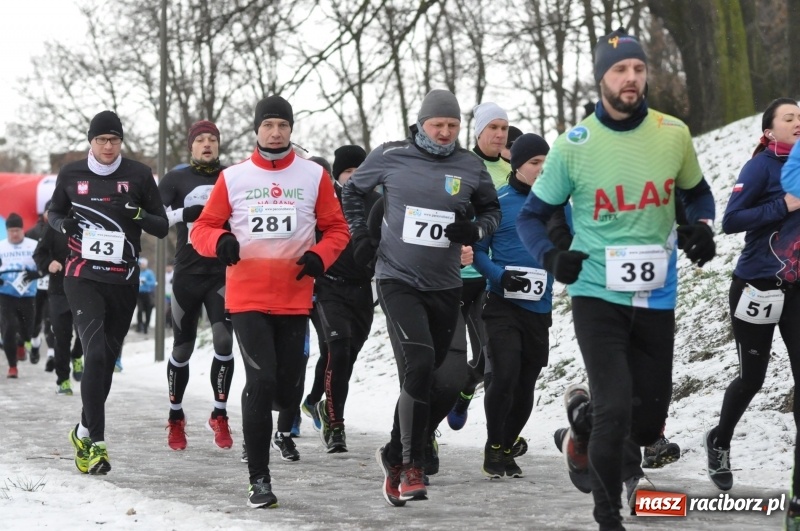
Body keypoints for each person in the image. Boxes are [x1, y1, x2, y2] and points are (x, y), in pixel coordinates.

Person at [516, 29, 716, 531]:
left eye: (638, 69)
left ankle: (579, 421)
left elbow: (697, 195)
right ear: (602, 77)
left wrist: (702, 230)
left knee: (646, 423)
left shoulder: (673, 133)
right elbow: (531, 217)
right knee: (615, 411)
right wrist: (550, 256)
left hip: (657, 293)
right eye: (620, 69)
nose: (631, 78)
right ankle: (608, 517)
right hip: (596, 293)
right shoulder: (574, 145)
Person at [342, 88, 500, 505]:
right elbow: (353, 192)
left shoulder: (470, 165)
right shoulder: (391, 155)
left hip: (446, 283)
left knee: (450, 380)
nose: (445, 132)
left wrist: (474, 231)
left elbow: (491, 212)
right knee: (420, 362)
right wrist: (361, 236)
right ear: (421, 124)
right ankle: (410, 465)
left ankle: (394, 450)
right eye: (438, 125)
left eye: (452, 125)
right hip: (397, 279)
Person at [190, 95, 349, 508]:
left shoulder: (314, 176)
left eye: (282, 125)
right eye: (268, 125)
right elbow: (201, 229)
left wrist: (320, 255)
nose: (275, 132)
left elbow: (338, 230)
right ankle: (258, 477)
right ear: (256, 130)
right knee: (260, 383)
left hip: (295, 298)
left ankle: (270, 427)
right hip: (247, 297)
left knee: (288, 391)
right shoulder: (235, 177)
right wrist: (220, 240)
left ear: (291, 130)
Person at [48, 110, 168, 476]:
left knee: (106, 364)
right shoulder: (71, 174)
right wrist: (62, 223)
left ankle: (83, 430)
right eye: (101, 139)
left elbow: (161, 226)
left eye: (114, 140)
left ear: (121, 142)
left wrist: (138, 217)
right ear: (90, 141)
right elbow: (52, 212)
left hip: (124, 279)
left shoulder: (138, 174)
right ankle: (97, 445)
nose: (107, 146)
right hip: (81, 275)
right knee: (95, 352)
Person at [704, 98, 800, 527]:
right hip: (757, 286)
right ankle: (720, 439)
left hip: (796, 289)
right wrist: (784, 206)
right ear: (770, 129)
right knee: (753, 378)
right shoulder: (762, 167)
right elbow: (731, 220)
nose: (798, 123)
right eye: (789, 118)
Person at [473, 133, 554, 479]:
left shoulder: (559, 204)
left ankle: (507, 445)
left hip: (539, 306)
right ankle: (494, 446)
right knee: (504, 375)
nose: (541, 169)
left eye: (546, 163)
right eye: (535, 163)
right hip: (502, 304)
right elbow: (476, 251)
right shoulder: (499, 202)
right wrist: (499, 276)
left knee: (526, 383)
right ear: (517, 164)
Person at [158, 120, 236, 451]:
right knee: (182, 348)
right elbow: (156, 219)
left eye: (212, 139)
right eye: (200, 140)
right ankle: (176, 418)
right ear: (191, 146)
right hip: (188, 275)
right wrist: (184, 213)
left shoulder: (232, 177)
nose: (207, 144)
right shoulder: (175, 179)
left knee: (223, 341)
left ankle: (219, 414)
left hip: (221, 273)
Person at [310, 144, 381, 453]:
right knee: (337, 351)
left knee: (347, 359)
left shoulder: (380, 202)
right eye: (347, 172)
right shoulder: (325, 203)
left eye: (358, 171)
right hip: (329, 287)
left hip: (363, 290)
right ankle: (336, 426)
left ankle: (325, 405)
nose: (353, 178)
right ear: (337, 175)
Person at [446, 102, 509, 434]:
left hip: (489, 276)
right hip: (453, 277)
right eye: (492, 128)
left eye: (503, 128)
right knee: (449, 360)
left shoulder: (510, 172)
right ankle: (431, 421)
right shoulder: (462, 166)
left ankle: (469, 393)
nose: (499, 135)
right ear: (478, 132)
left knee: (491, 354)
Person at [33, 203, 82, 394]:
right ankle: (63, 380)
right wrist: (48, 263)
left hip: (84, 290)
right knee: (62, 337)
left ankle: (77, 355)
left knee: (85, 334)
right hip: (59, 291)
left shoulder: (88, 223)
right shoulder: (53, 228)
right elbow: (39, 253)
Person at [0, 213, 39, 378]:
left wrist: (35, 275)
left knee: (27, 328)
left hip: (27, 294)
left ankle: (22, 343)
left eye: (17, 230)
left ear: (22, 230)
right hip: (6, 294)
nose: (14, 234)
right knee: (8, 328)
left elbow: (44, 266)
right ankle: (12, 366)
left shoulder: (34, 246)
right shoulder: (1, 247)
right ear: (7, 231)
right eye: (11, 231)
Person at [25, 207, 54, 366]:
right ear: (43, 214)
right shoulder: (32, 233)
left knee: (52, 318)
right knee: (35, 320)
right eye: (48, 212)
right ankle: (35, 344)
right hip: (36, 282)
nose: (50, 215)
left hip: (54, 282)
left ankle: (51, 354)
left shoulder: (63, 230)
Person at [136, 256, 156, 334]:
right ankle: (139, 325)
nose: (142, 265)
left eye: (143, 264)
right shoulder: (137, 272)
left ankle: (146, 326)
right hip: (139, 294)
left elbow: (153, 283)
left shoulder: (149, 273)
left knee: (148, 311)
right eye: (140, 264)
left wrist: (145, 282)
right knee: (140, 310)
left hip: (148, 294)